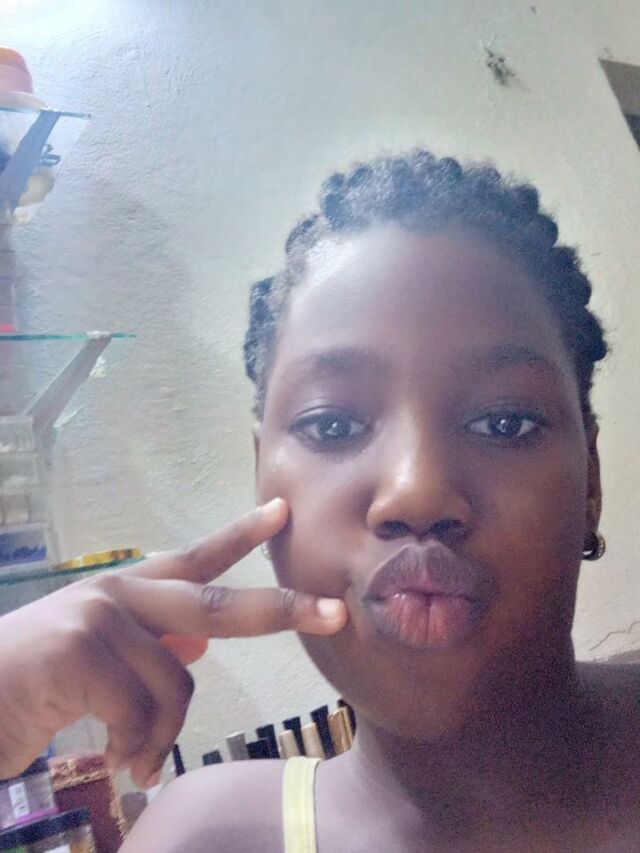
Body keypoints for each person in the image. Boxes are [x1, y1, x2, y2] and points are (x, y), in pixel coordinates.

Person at [3, 149, 640, 851]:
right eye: (332, 426)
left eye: (506, 422)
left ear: (590, 478)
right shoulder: (207, 839)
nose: (416, 490)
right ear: (263, 478)